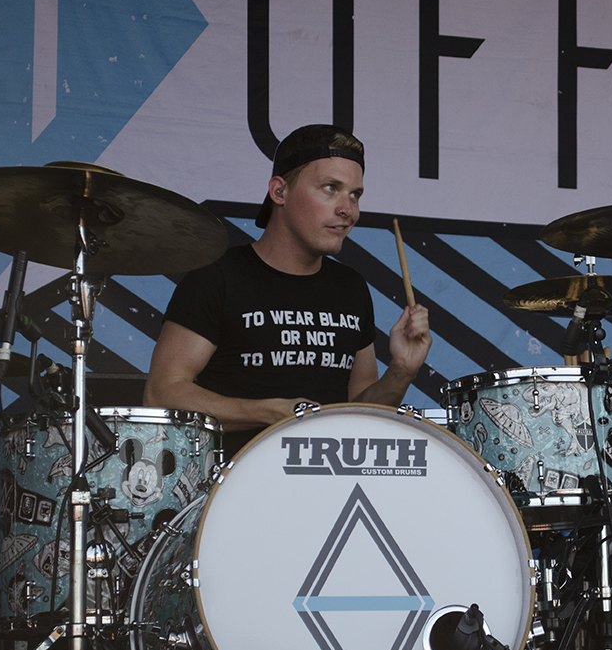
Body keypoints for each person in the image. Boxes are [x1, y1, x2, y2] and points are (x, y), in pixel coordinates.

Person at [143, 124, 432, 456]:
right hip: (234, 480)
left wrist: (401, 371)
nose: (348, 210)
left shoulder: (351, 287)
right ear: (279, 192)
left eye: (355, 195)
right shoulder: (218, 277)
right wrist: (271, 413)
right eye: (330, 188)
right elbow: (161, 394)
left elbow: (360, 412)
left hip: (333, 480)